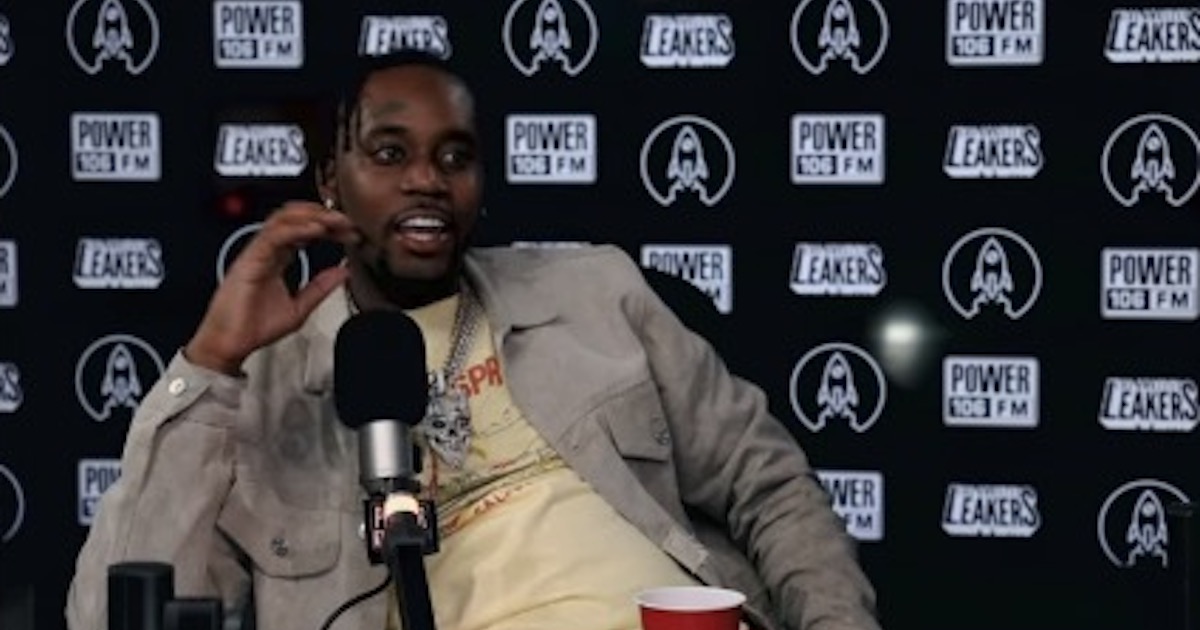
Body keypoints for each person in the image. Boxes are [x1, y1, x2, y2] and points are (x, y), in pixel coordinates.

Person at [66, 50, 881, 630]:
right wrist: (210, 365)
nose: (427, 179)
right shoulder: (262, 389)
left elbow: (769, 487)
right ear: (329, 181)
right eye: (390, 153)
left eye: (455, 156)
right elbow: (113, 614)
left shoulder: (597, 292)